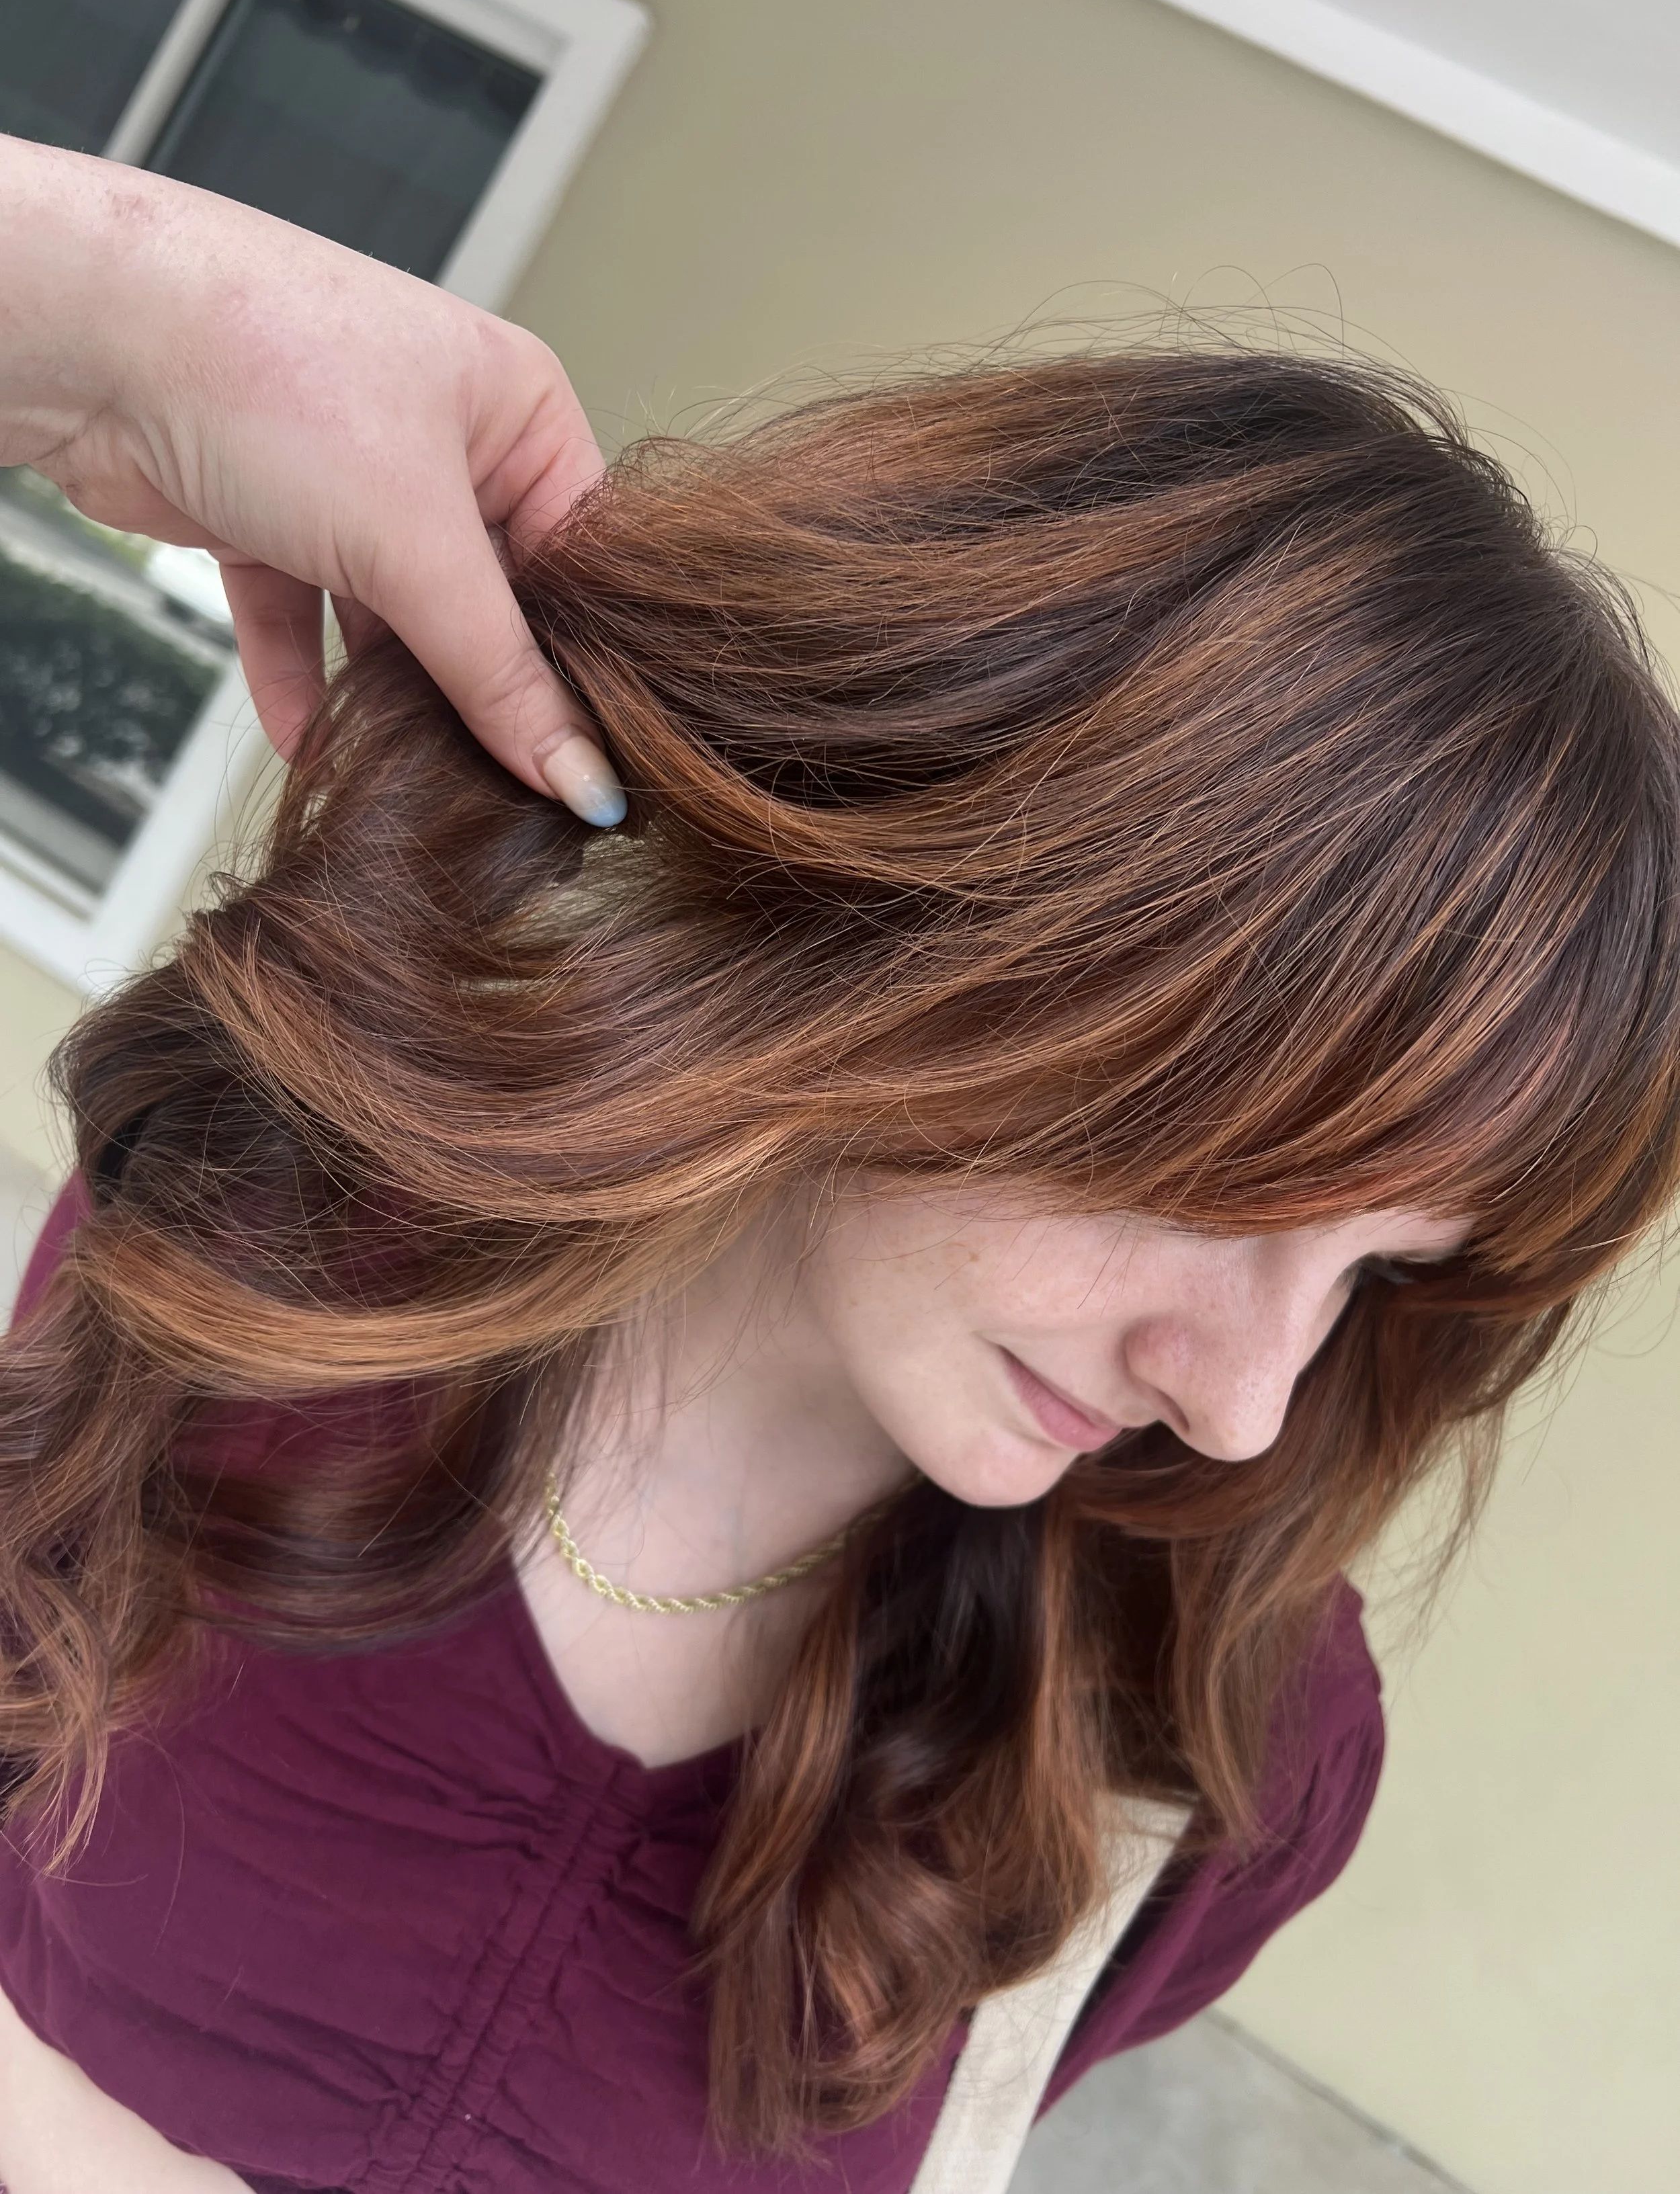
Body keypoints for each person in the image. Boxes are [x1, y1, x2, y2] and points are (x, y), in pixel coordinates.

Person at [1, 139, 1678, 2194]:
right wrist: (102, 300)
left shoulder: (1226, 1731)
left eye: (1382, 1273)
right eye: (1228, 1185)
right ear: (922, 939)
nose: (1242, 1397)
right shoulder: (268, 1227)